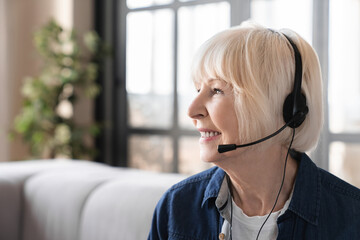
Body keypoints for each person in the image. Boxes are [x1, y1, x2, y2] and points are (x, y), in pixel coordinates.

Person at [148, 21, 360, 240]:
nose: (192, 111)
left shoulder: (351, 218)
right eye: (198, 89)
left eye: (217, 90)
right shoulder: (175, 207)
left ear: (288, 109)